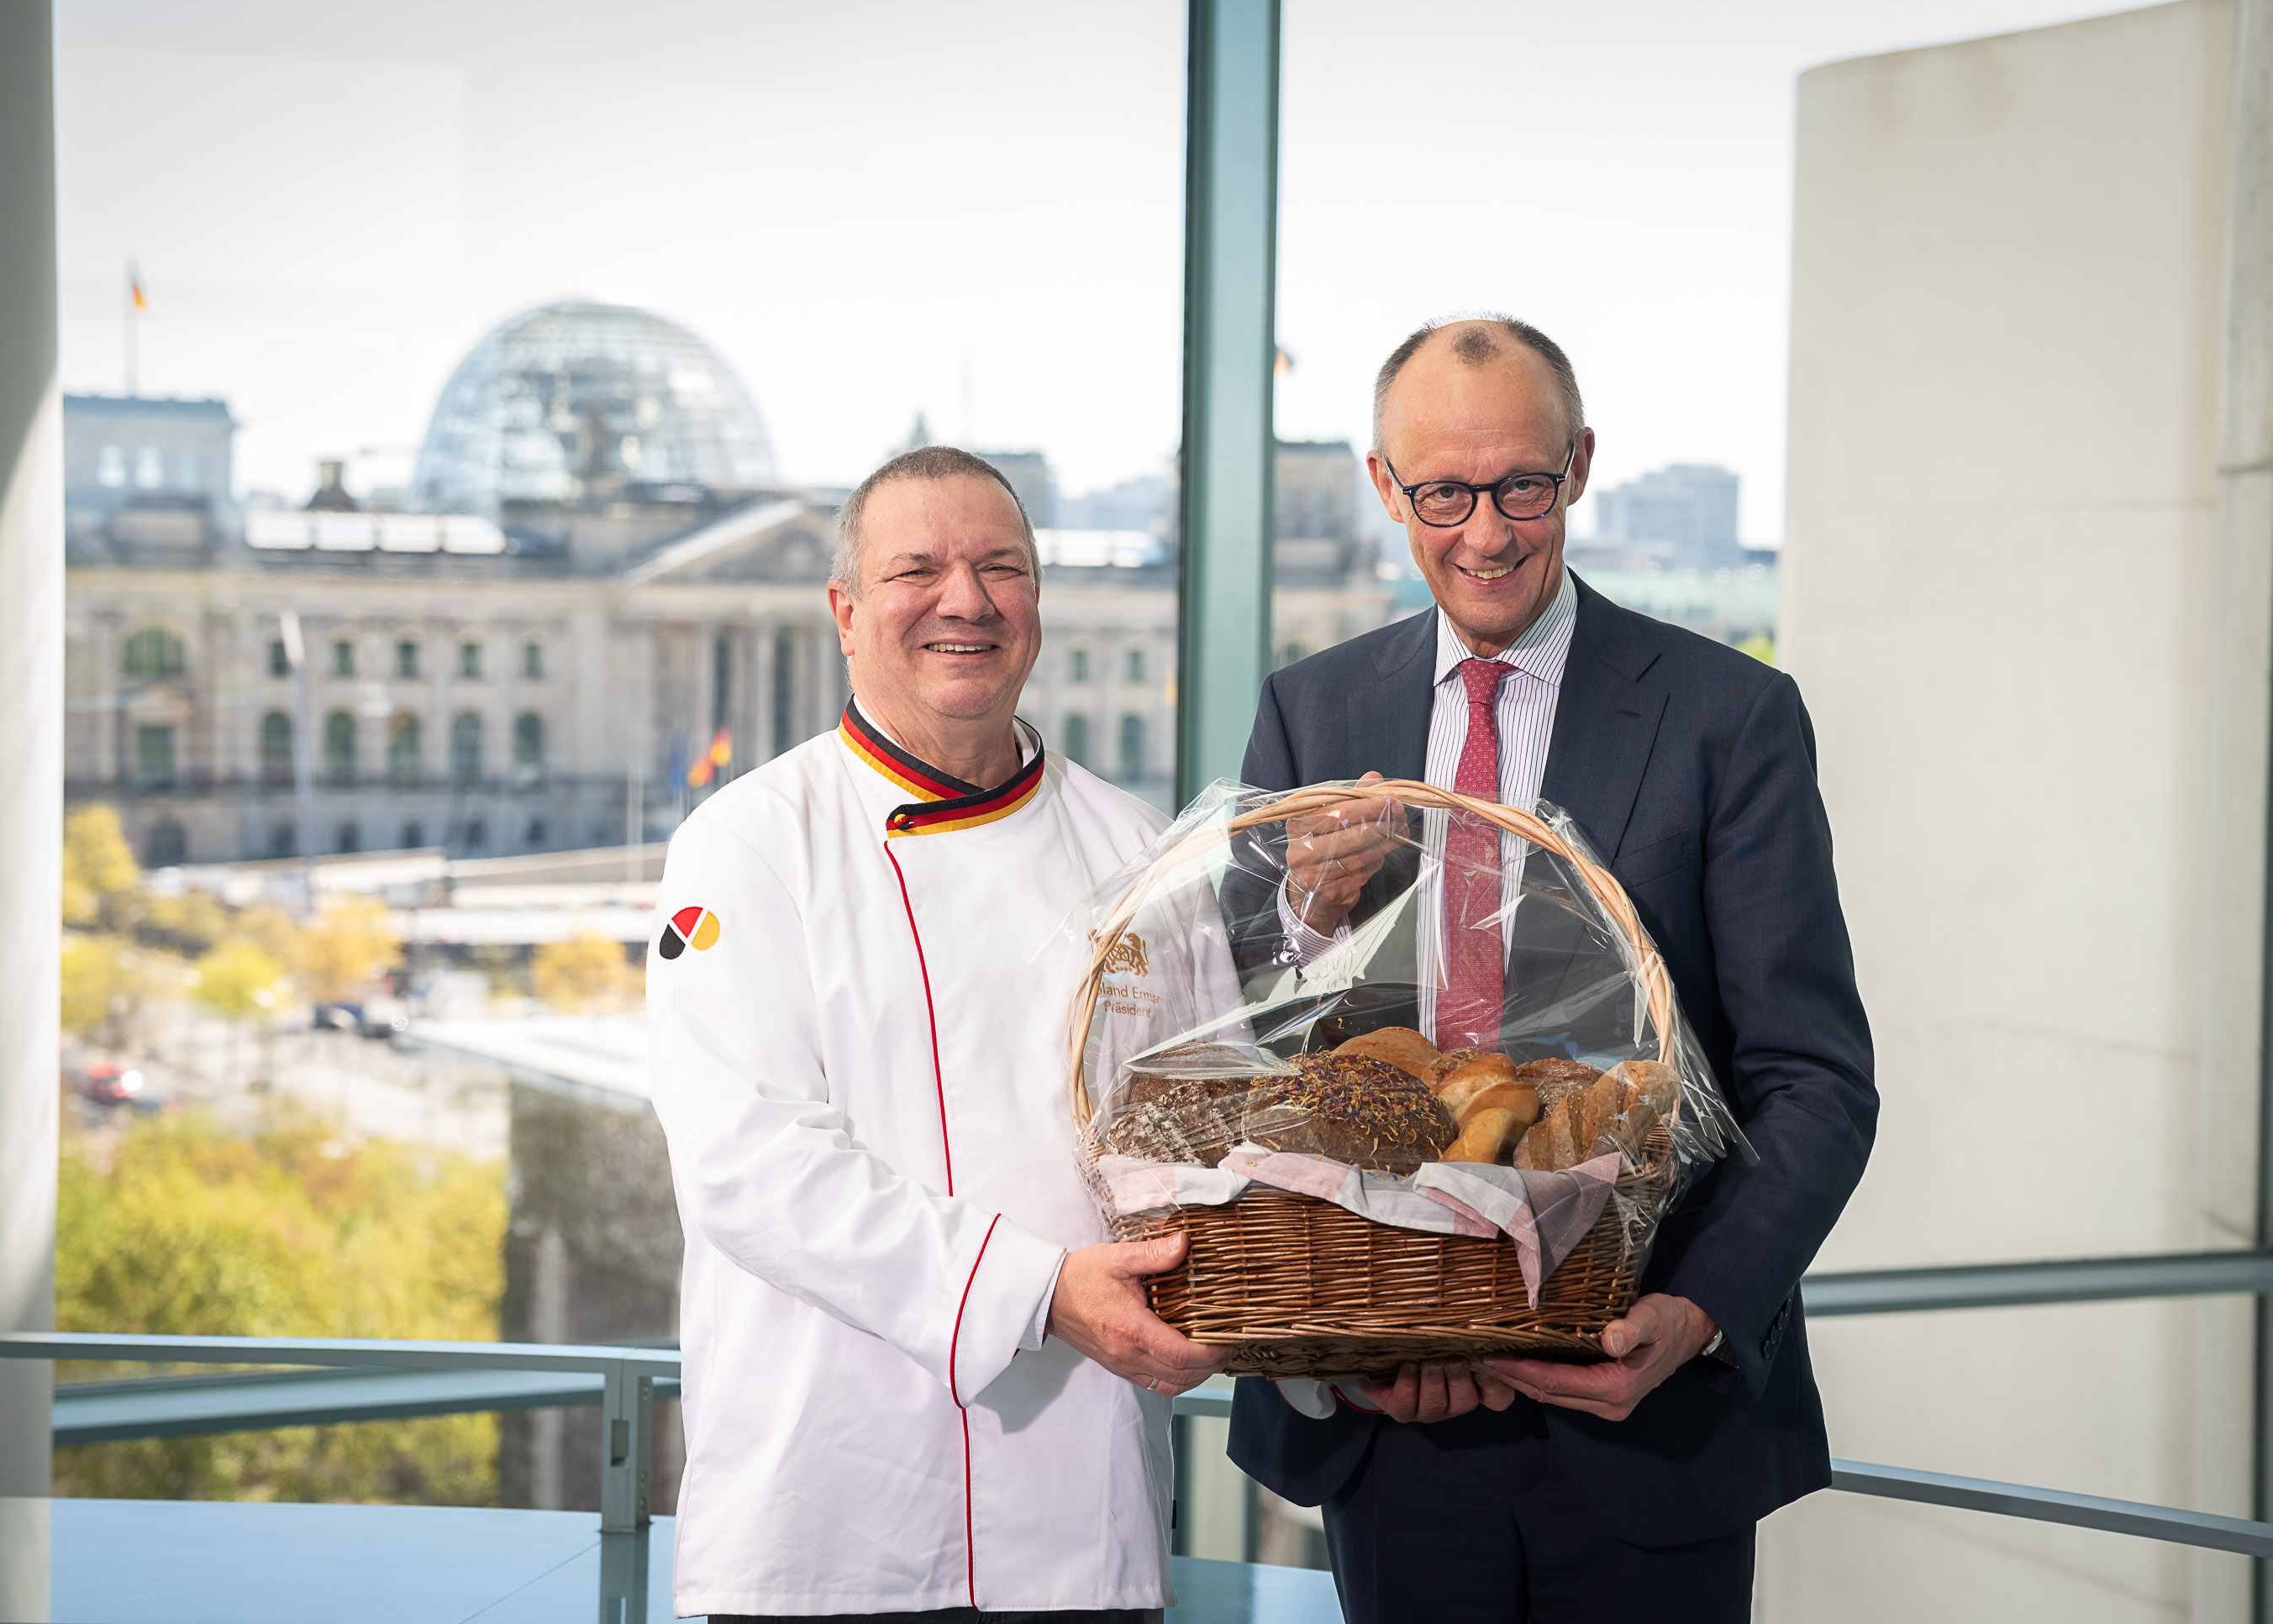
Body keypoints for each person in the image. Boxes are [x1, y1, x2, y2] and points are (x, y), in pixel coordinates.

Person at [1223, 318, 1881, 1621]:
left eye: (1522, 485)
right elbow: (1242, 1045)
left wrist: (1696, 1313)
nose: (1486, 533)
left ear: (1579, 465)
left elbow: (1814, 1080)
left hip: (1644, 1407)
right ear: (1383, 487)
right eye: (1443, 494)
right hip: (1387, 1408)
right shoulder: (1315, 708)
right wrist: (1305, 905)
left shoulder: (1729, 715)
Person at [649, 445, 1229, 1622]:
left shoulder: (1142, 851)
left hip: (1082, 1519)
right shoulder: (747, 842)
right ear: (846, 614)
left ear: (1035, 608)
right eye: (919, 569)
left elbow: (1219, 1126)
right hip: (826, 1521)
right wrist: (1039, 1291)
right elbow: (747, 1164)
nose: (966, 600)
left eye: (1001, 568)